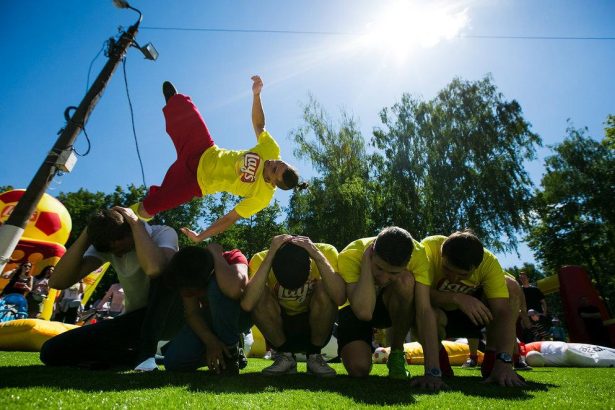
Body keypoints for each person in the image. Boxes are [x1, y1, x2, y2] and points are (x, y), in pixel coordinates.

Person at [130, 75, 306, 243]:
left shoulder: (262, 196)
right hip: (204, 150)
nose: (273, 163)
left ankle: (124, 221)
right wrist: (257, 95)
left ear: (272, 182)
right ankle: (173, 102)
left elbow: (230, 218)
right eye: (280, 163)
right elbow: (259, 125)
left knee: (151, 206)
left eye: (274, 169)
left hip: (196, 182)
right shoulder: (271, 149)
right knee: (184, 107)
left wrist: (201, 236)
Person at [40, 206, 183, 371]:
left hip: (172, 316)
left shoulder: (162, 233)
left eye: (121, 249)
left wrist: (136, 224)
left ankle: (147, 355)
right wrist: (87, 233)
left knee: (166, 273)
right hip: (136, 322)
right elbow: (57, 282)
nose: (118, 255)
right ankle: (142, 356)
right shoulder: (108, 244)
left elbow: (155, 269)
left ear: (130, 230)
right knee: (51, 351)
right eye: (113, 251)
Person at [336, 227, 445, 391]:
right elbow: (364, 312)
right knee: (359, 369)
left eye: (393, 272)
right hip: (356, 306)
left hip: (389, 305)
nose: (383, 278)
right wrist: (366, 262)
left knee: (406, 281)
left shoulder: (419, 254)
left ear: (407, 262)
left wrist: (433, 372)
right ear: (372, 252)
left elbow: (424, 310)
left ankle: (396, 353)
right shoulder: (351, 254)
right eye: (379, 268)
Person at [418, 230, 526, 387]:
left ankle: (492, 358)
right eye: (447, 269)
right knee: (417, 303)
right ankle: (437, 357)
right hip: (437, 315)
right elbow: (418, 295)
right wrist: (456, 297)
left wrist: (505, 361)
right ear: (441, 253)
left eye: (463, 275)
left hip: (476, 317)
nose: (453, 278)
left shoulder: (488, 262)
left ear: (476, 267)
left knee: (511, 287)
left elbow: (502, 313)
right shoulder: (427, 249)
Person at [241, 235, 344, 377]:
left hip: (315, 326)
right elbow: (248, 304)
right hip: (281, 328)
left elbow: (339, 298)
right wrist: (270, 256)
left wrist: (317, 255)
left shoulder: (325, 251)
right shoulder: (261, 258)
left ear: (309, 263)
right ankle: (285, 356)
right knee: (258, 292)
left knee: (325, 287)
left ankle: (314, 356)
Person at [162, 244, 252, 375]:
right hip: (212, 322)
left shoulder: (232, 256)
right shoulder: (186, 271)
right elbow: (192, 313)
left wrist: (216, 254)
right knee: (173, 362)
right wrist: (211, 342)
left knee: (217, 288)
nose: (184, 295)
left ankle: (230, 354)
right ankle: (226, 352)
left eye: (190, 292)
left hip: (240, 315)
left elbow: (235, 290)